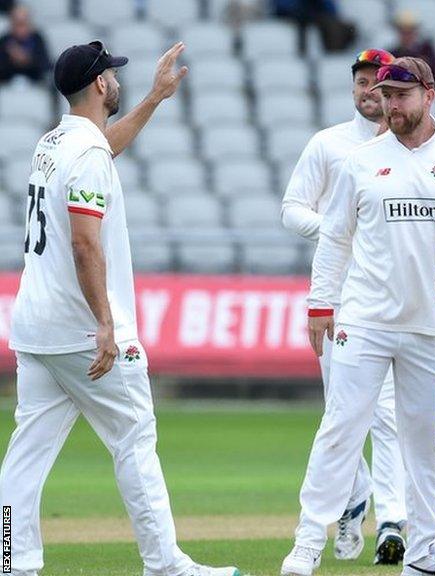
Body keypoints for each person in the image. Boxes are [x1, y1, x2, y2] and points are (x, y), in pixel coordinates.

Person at [0, 40, 240, 576]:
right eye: (111, 73)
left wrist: (155, 98)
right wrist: (106, 324)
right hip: (82, 332)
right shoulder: (85, 154)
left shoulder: (56, 141)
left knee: (27, 451)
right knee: (135, 440)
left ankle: (11, 559)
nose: (115, 79)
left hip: (36, 329)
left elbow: (104, 149)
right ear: (101, 85)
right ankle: (166, 563)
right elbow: (85, 244)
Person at [280, 57, 435, 576]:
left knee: (426, 446)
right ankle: (306, 547)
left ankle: (423, 558)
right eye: (387, 95)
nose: (392, 105)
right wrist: (320, 303)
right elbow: (335, 238)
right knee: (340, 430)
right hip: (366, 318)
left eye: (402, 95)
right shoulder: (361, 159)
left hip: (431, 324)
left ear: (428, 94)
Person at [281, 47, 409, 566]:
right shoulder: (329, 145)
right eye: (361, 82)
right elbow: (291, 211)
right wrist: (339, 231)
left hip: (394, 300)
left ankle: (394, 520)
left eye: (378, 83)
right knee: (344, 414)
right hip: (340, 295)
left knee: (389, 414)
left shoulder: (410, 148)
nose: (368, 91)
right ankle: (355, 497)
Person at [389, 10, 435, 89]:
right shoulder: (391, 55)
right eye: (403, 32)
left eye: (410, 31)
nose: (407, 36)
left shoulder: (427, 50)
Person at [0, 5, 51, 85]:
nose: (20, 28)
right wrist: (12, 60)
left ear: (29, 23)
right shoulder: (4, 41)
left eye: (23, 23)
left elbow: (46, 65)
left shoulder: (37, 39)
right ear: (11, 23)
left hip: (36, 88)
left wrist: (28, 60)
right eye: (17, 23)